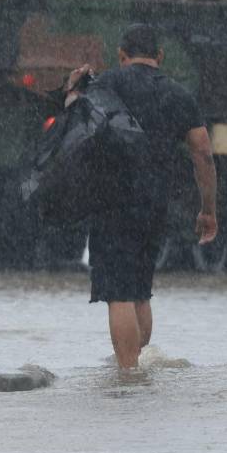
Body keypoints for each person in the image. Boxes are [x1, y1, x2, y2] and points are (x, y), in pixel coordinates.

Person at [65, 24, 217, 369]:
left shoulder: (105, 86)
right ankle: (140, 366)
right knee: (140, 289)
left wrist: (73, 90)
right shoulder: (179, 95)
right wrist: (208, 209)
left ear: (121, 56)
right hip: (155, 201)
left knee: (117, 292)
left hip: (110, 199)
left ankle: (128, 375)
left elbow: (72, 127)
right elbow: (204, 154)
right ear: (160, 57)